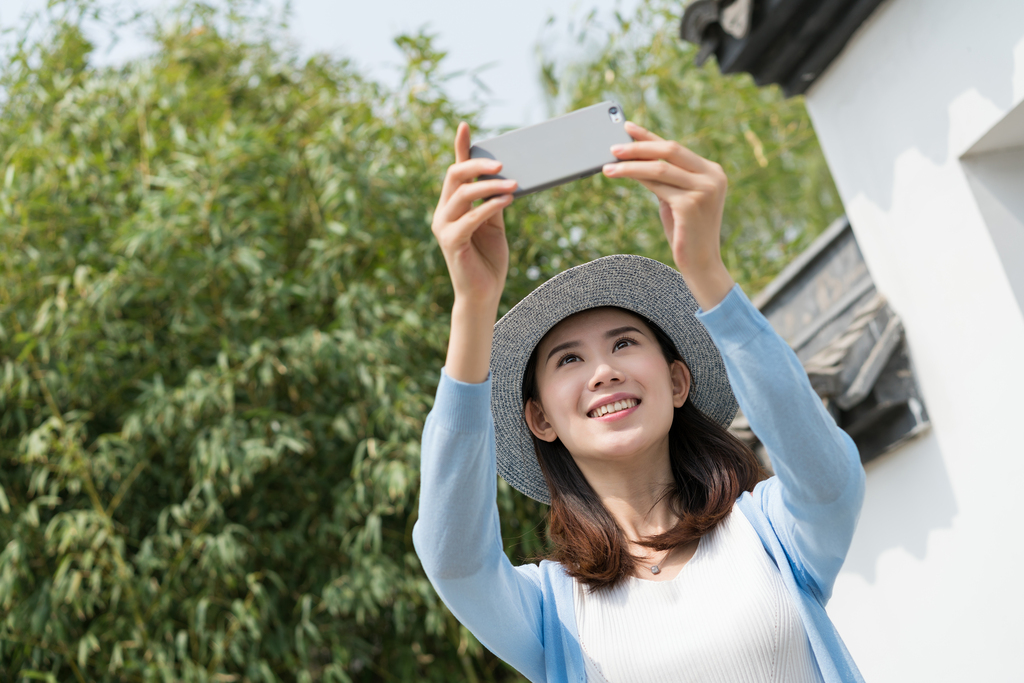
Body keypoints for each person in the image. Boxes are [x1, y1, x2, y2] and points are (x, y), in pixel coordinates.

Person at [413, 120, 866, 683]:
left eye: (625, 343)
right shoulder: (549, 609)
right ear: (540, 419)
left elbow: (828, 476)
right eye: (569, 360)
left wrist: (705, 270)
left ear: (678, 382)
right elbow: (452, 559)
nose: (604, 371)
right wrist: (473, 306)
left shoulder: (773, 533)